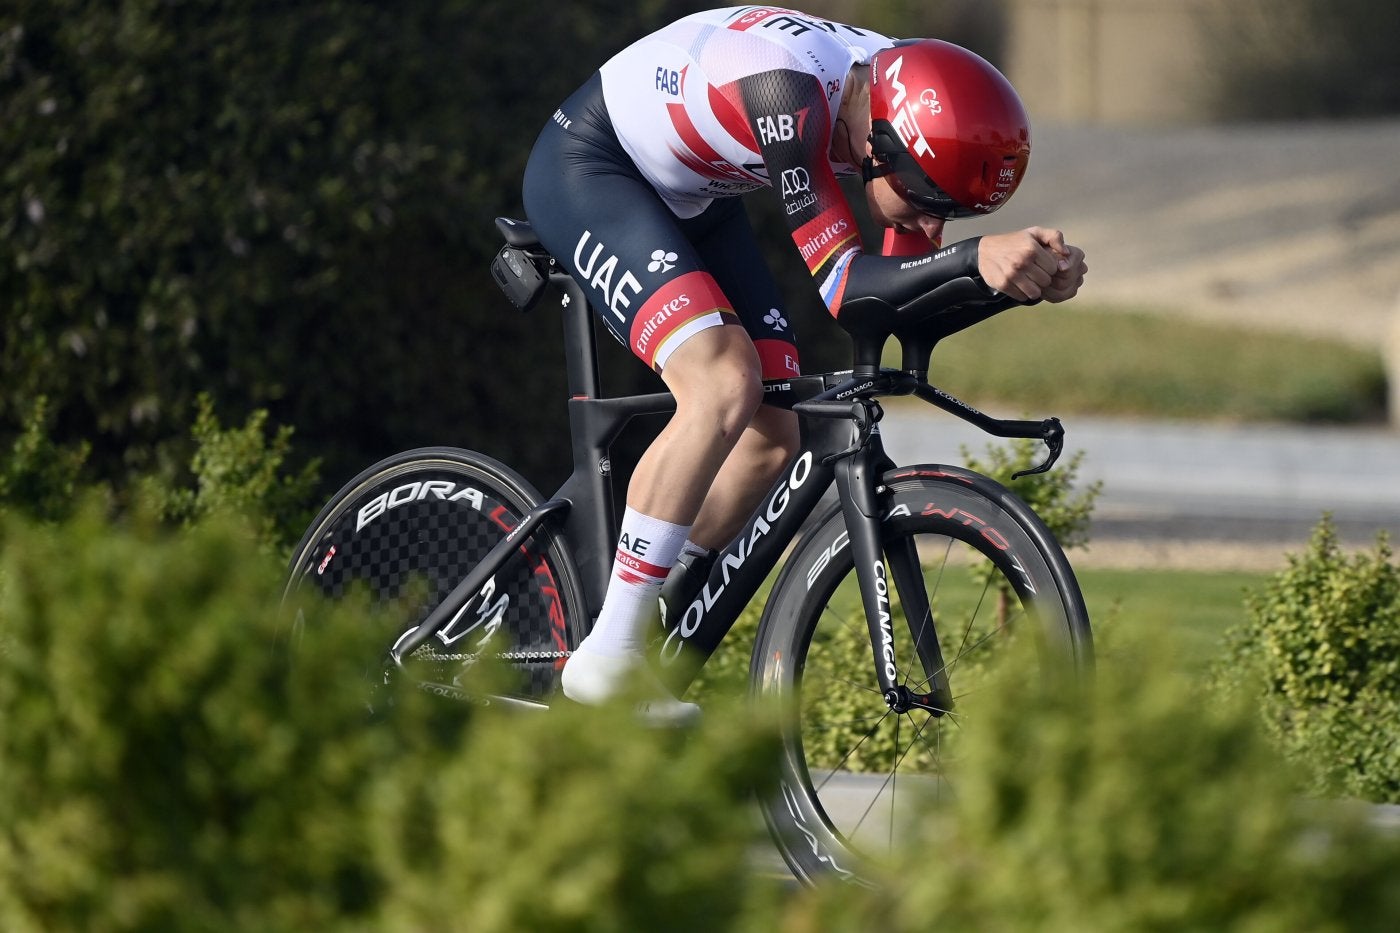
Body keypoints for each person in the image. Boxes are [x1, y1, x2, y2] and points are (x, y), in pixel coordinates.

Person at [521, 6, 1087, 722]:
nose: (936, 226)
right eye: (931, 201)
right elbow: (849, 290)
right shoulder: (784, 92)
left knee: (771, 436)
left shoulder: (895, 89)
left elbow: (901, 302)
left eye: (955, 216)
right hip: (595, 169)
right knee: (723, 382)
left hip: (696, 194)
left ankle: (648, 614)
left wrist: (1013, 284)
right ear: (881, 143)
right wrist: (976, 259)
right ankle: (611, 652)